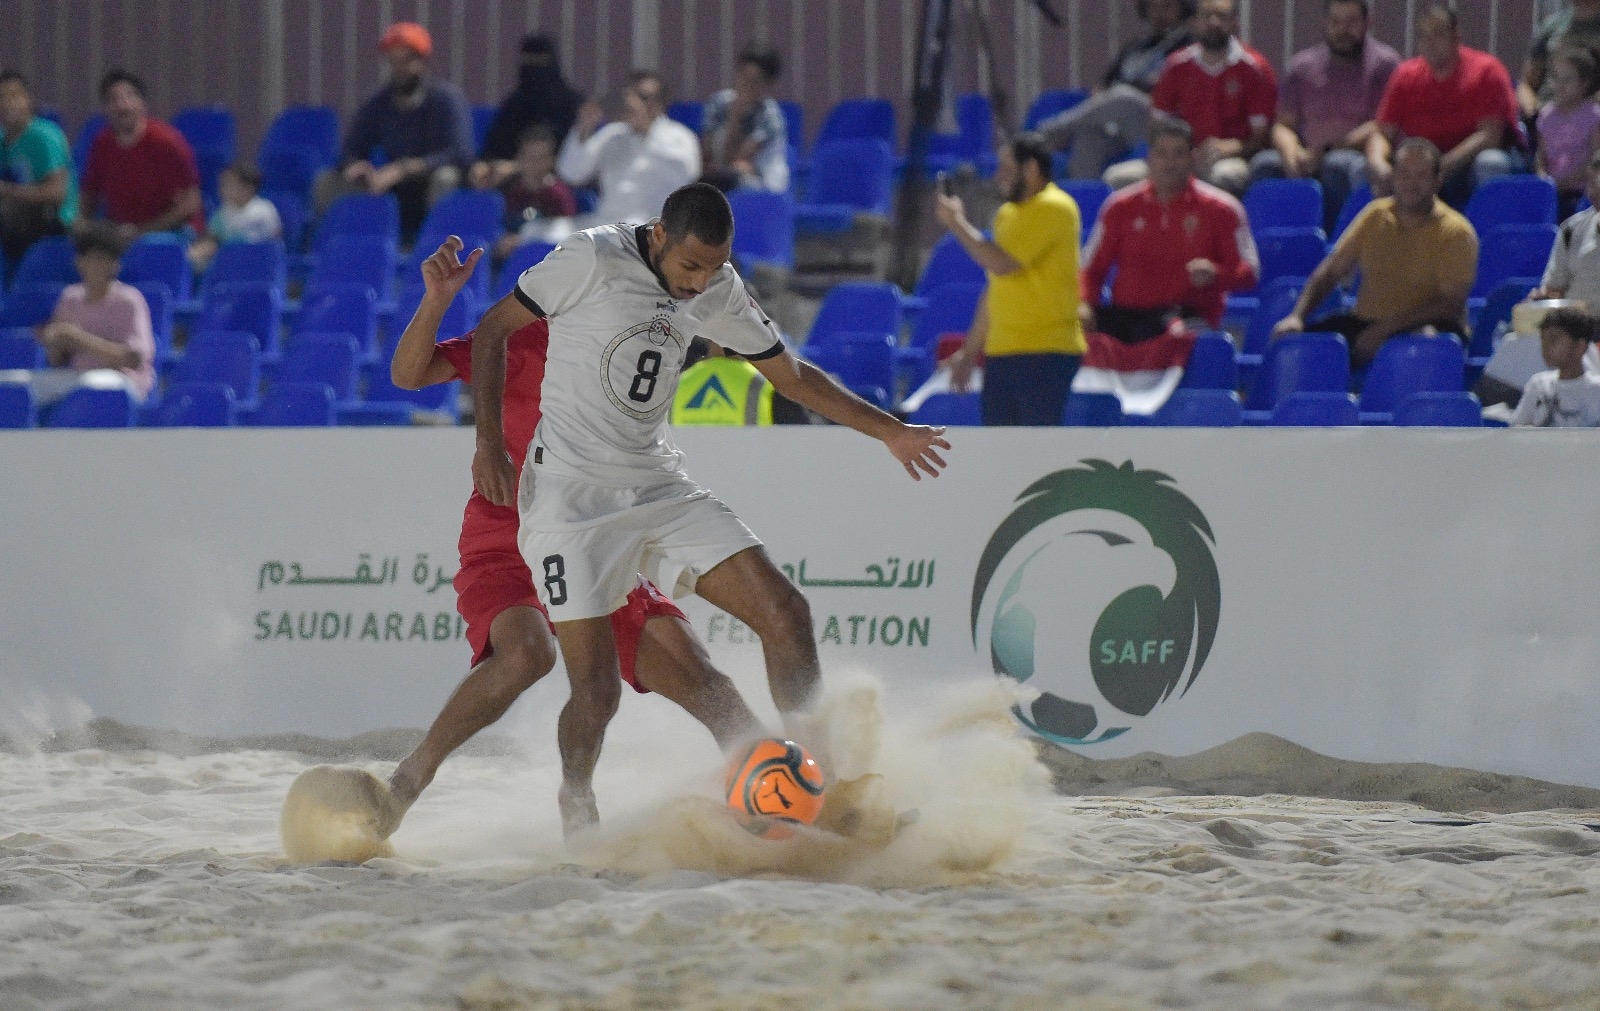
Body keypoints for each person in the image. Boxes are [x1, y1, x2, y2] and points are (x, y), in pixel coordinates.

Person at [467, 183, 950, 832]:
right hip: (569, 503)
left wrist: (888, 429)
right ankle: (576, 797)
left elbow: (791, 377)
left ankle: (823, 788)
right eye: (690, 266)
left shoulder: (717, 287)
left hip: (657, 484)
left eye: (713, 267)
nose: (698, 283)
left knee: (786, 611)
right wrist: (489, 446)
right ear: (661, 235)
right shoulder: (590, 258)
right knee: (596, 691)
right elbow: (491, 333)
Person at [382, 236, 767, 824]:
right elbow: (409, 374)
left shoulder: (641, 336)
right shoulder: (519, 338)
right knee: (527, 655)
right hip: (507, 535)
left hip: (598, 534)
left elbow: (733, 327)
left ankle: (793, 803)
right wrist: (435, 300)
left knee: (707, 686)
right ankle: (408, 781)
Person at [1273, 137, 1476, 367]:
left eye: (1421, 175)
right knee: (1292, 345)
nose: (1411, 183)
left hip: (1428, 328)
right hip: (1367, 322)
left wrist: (1384, 331)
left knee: (1425, 341)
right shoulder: (1375, 215)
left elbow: (1450, 304)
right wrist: (1297, 316)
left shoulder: (1456, 232)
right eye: (1404, 175)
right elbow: (1331, 271)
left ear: (1438, 181)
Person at [937, 133, 1084, 426]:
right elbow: (997, 288)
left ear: (1030, 169)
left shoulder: (1055, 206)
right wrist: (969, 353)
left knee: (1034, 454)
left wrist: (957, 223)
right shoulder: (1007, 214)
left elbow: (1002, 264)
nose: (998, 176)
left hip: (1045, 352)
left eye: (1005, 167)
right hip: (1002, 351)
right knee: (1003, 453)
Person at [1080, 115, 1260, 344]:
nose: (1169, 162)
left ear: (1193, 158)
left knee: (1174, 335)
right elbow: (1089, 270)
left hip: (1188, 317)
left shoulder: (1223, 209)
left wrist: (1216, 274)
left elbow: (1249, 271)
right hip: (1127, 317)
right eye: (1161, 153)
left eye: (1178, 153)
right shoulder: (1119, 207)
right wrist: (1084, 305)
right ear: (1149, 158)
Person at [1250, 0, 1400, 232]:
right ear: (1325, 24)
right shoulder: (1302, 65)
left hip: (1355, 153)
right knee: (1264, 165)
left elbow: (1385, 123)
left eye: (1351, 22)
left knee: (1337, 166)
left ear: (1367, 23)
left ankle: (1339, 242)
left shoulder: (1385, 63)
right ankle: (1275, 245)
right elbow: (1283, 125)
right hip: (1307, 153)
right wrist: (1292, 155)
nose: (1343, 30)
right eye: (1335, 22)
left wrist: (1327, 150)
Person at [318, 22, 474, 242]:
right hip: (389, 186)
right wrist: (356, 166)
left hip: (429, 182)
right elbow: (352, 148)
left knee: (445, 178)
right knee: (327, 181)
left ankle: (437, 245)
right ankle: (341, 245)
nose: (399, 68)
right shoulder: (378, 101)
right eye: (393, 62)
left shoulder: (446, 100)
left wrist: (408, 168)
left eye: (407, 60)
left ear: (423, 62)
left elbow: (461, 153)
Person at [1366, 3, 1522, 208]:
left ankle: (1487, 231)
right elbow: (1382, 132)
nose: (1430, 43)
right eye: (1424, 36)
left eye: (1438, 35)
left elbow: (1490, 136)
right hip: (1421, 163)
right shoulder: (1405, 75)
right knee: (1363, 170)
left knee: (1491, 163)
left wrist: (1440, 166)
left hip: (1467, 161)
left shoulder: (1486, 71)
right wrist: (1379, 163)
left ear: (1456, 37)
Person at [1036, 0, 1195, 181]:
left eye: (1167, 7)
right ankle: (1086, 200)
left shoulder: (1188, 46)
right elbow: (1102, 86)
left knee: (1124, 97)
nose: (1160, 13)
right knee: (1089, 139)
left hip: (1157, 123)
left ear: (1182, 9)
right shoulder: (1135, 45)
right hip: (1118, 123)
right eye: (1154, 7)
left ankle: (1053, 132)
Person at [0, 222, 154, 408]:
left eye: (104, 259)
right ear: (79, 262)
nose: (97, 266)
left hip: (122, 381)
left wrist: (78, 338)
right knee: (11, 383)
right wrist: (54, 341)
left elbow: (134, 359)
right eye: (91, 259)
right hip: (75, 375)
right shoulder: (70, 298)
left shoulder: (129, 300)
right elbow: (56, 361)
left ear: (116, 265)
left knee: (88, 388)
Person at [1144, 0, 1276, 195]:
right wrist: (1180, 153)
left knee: (1221, 175)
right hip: (1180, 155)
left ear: (1235, 23)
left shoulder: (1255, 68)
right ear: (1194, 22)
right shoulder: (1176, 65)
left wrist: (1230, 148)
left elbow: (1261, 137)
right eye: (1206, 16)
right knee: (1121, 177)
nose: (1213, 22)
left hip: (1233, 158)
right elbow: (1158, 124)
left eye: (1221, 17)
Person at [557, 71, 701, 228]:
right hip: (605, 223)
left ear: (659, 104)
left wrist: (647, 133)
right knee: (536, 232)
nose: (631, 103)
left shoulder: (680, 137)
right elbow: (570, 174)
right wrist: (583, 129)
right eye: (629, 96)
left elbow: (687, 174)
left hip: (653, 226)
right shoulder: (612, 134)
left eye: (643, 98)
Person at [80, 70, 203, 240]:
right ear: (105, 108)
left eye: (129, 97)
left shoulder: (167, 142)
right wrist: (82, 226)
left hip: (171, 233)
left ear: (142, 103)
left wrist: (141, 232)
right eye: (113, 99)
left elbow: (189, 204)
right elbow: (89, 194)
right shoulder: (101, 144)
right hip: (119, 234)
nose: (122, 106)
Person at [474, 33, 584, 181]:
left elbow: (572, 155)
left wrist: (519, 167)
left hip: (555, 179)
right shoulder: (514, 104)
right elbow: (495, 146)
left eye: (540, 63)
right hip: (506, 179)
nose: (534, 73)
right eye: (528, 63)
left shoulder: (571, 104)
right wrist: (484, 165)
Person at [0, 70, 76, 269]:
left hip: (55, 220)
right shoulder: (2, 141)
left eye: (15, 96)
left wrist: (7, 191)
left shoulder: (44, 136)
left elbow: (56, 193)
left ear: (28, 100)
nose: (9, 103)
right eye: (2, 97)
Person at [700, 44, 789, 194]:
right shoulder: (718, 103)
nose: (745, 85)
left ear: (766, 84)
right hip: (720, 178)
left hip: (763, 183)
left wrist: (736, 116)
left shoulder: (770, 115)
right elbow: (707, 154)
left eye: (754, 81)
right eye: (743, 76)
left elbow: (734, 158)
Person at [489, 126, 578, 261]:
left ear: (551, 160)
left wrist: (525, 242)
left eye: (541, 158)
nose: (535, 164)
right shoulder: (506, 191)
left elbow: (565, 237)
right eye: (530, 157)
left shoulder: (559, 195)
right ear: (519, 158)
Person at [1535, 46, 1600, 221]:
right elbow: (1541, 156)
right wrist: (1544, 179)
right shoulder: (1547, 115)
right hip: (1551, 191)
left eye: (1568, 79)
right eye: (1555, 78)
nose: (1560, 85)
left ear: (1584, 83)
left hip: (1581, 192)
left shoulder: (1593, 115)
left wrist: (1570, 181)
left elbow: (1595, 157)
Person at [1511, 306, 1600, 426]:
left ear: (1580, 346)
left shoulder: (1596, 390)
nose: (1546, 347)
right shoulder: (1538, 385)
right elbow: (1517, 429)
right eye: (1543, 340)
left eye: (1553, 340)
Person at [186, 164, 283, 274]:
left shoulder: (262, 210)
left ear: (248, 188)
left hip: (255, 266)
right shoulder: (224, 211)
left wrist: (210, 249)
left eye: (228, 184)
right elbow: (212, 237)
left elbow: (247, 243)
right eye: (221, 184)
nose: (221, 188)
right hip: (225, 262)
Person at [1533, 151, 1600, 308]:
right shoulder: (1571, 231)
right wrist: (1543, 297)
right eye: (1592, 183)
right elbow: (1553, 290)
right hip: (1577, 327)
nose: (1595, 191)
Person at [1519, 0, 1600, 125]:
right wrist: (1532, 111)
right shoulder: (1552, 26)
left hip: (1590, 120)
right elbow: (1527, 84)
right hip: (1547, 117)